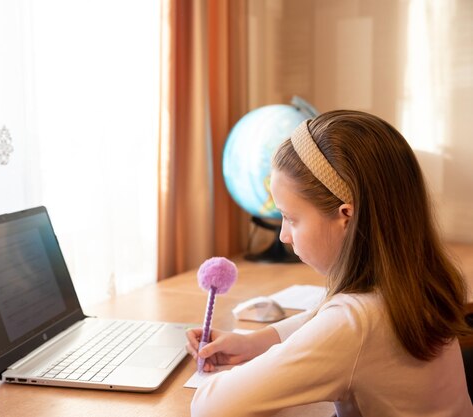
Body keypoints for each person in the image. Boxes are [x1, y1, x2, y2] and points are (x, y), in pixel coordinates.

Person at [186, 110, 472, 417]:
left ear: (346, 216)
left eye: (290, 218)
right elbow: (326, 320)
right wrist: (257, 342)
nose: (283, 235)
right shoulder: (412, 284)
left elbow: (212, 407)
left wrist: (251, 373)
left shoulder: (356, 323)